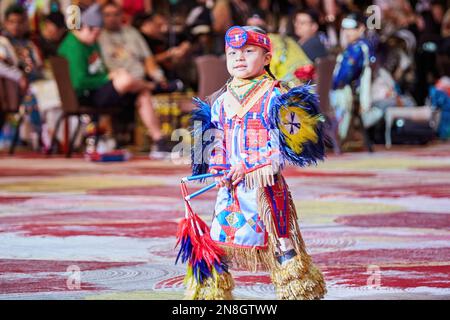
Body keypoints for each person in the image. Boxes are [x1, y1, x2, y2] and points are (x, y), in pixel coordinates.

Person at [186, 25, 327, 300]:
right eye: (232, 53)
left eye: (248, 51)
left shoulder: (275, 95)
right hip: (231, 186)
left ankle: (298, 289)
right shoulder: (220, 100)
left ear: (266, 58)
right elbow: (215, 139)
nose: (239, 58)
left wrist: (248, 165)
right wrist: (218, 169)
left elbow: (279, 145)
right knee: (220, 239)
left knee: (280, 241)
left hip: (264, 186)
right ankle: (213, 293)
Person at [57, 4, 171, 158]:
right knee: (125, 80)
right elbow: (79, 83)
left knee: (141, 93)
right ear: (86, 28)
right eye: (96, 34)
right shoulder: (73, 46)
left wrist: (110, 74)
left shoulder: (89, 43)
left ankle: (159, 142)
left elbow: (98, 69)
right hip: (85, 96)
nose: (97, 38)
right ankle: (153, 86)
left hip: (97, 92)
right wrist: (106, 78)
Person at [330, 12, 376, 140]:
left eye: (352, 28)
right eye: (345, 28)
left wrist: (330, 85)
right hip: (347, 90)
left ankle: (334, 135)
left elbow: (344, 75)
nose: (347, 32)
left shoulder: (358, 48)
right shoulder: (358, 46)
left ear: (361, 28)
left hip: (346, 90)